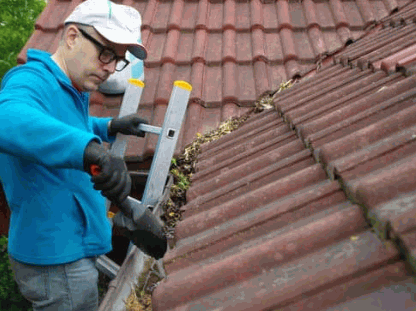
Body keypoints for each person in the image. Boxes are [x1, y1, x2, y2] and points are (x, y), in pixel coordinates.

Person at [0, 0, 148, 310]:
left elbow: (65, 125)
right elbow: (8, 119)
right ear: (71, 37)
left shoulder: (70, 88)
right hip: (57, 260)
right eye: (105, 53)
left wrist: (108, 126)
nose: (110, 67)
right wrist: (91, 151)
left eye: (118, 60)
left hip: (71, 245)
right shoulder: (30, 81)